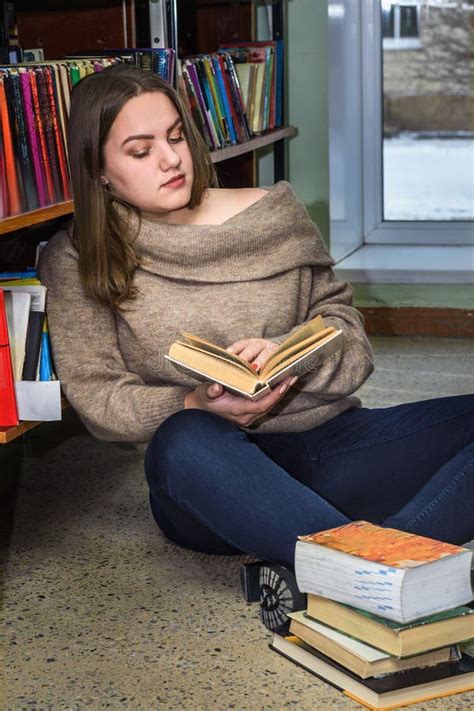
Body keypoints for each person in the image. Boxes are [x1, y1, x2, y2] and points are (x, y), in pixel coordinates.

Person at [39, 64, 474, 574]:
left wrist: (294, 358)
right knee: (181, 439)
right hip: (213, 472)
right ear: (99, 171)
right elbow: (98, 396)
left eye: (176, 136)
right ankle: (372, 565)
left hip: (332, 445)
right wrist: (193, 402)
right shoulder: (78, 257)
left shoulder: (272, 213)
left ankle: (371, 569)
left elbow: (350, 341)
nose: (171, 158)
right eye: (140, 150)